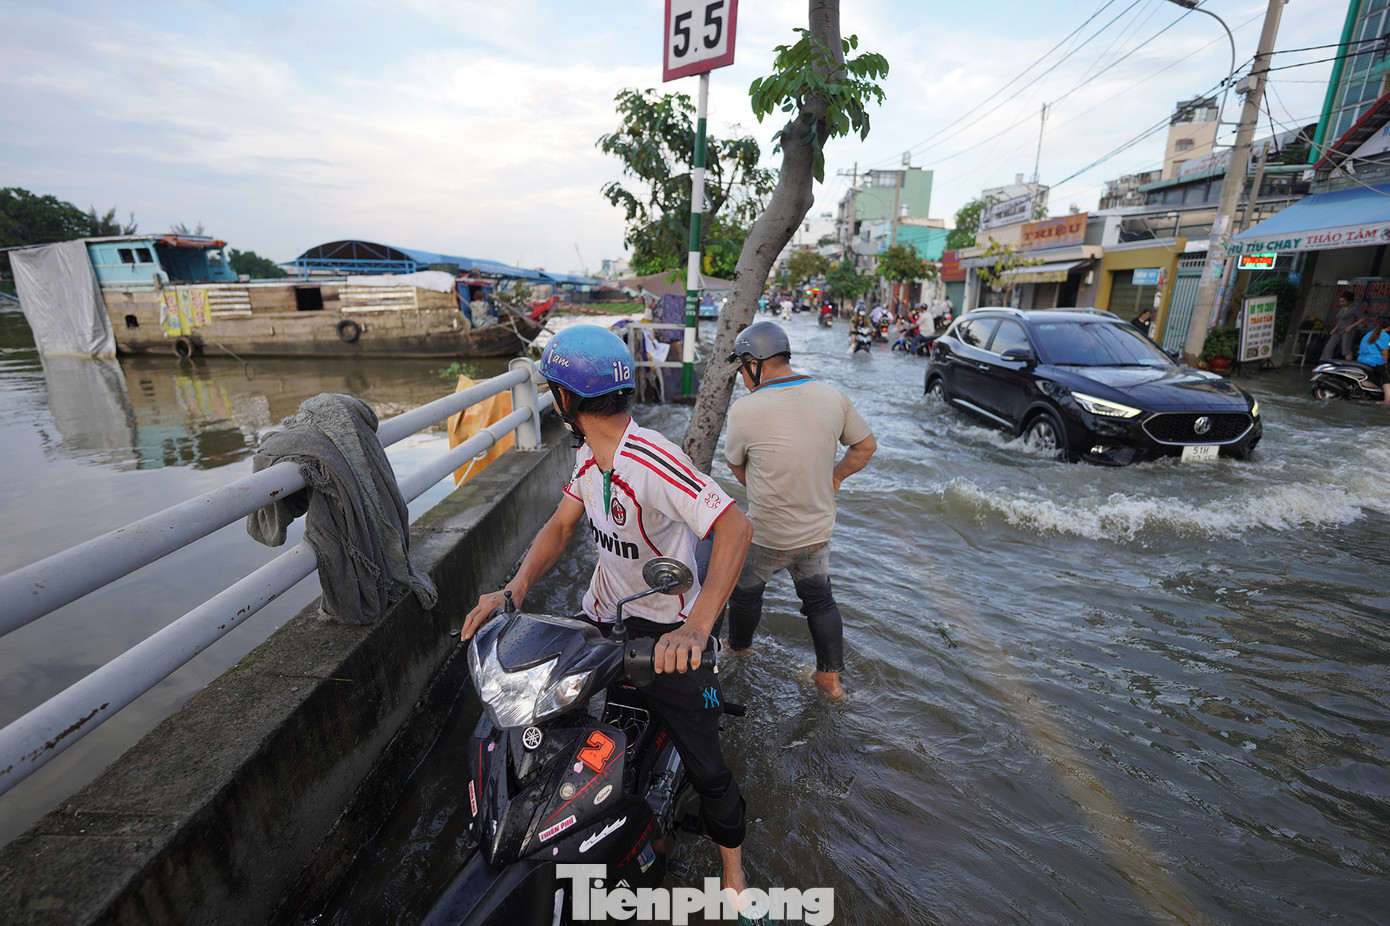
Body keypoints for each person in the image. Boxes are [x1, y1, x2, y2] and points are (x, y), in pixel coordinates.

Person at [459, 325, 756, 897]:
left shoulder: (651, 460)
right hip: (602, 615)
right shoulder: (588, 457)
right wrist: (512, 590)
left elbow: (734, 526)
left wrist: (696, 629)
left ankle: (736, 880)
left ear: (565, 399)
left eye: (552, 391)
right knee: (541, 721)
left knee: (708, 767)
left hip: (668, 632)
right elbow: (561, 525)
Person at [723, 321, 877, 700]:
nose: (742, 376)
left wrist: (763, 482)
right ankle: (830, 679)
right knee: (819, 598)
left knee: (744, 595)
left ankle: (739, 649)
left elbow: (737, 467)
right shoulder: (832, 396)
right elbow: (865, 447)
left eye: (742, 368)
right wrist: (835, 477)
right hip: (816, 532)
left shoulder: (745, 410)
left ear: (754, 362)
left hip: (767, 533)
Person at [1322, 291, 1367, 362]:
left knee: (1346, 349)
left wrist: (1351, 326)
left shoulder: (1355, 308)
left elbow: (1363, 318)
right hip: (1339, 328)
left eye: (1343, 301)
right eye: (1340, 301)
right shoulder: (1343, 308)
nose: (1341, 303)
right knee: (1329, 346)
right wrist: (1335, 329)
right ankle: (1325, 361)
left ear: (1349, 301)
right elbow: (1340, 320)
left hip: (1347, 330)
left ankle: (1348, 365)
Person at [1356, 315, 1390, 403]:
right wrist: (1385, 364)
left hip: (1362, 360)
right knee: (1387, 378)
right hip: (1375, 361)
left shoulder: (1370, 333)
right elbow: (1384, 352)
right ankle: (1387, 400)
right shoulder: (1384, 335)